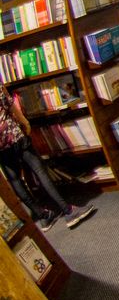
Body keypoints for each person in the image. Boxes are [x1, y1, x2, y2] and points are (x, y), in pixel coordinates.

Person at [0, 88, 95, 231]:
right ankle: (68, 210)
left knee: (15, 181)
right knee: (40, 170)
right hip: (14, 135)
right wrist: (24, 122)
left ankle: (43, 216)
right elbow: (10, 104)